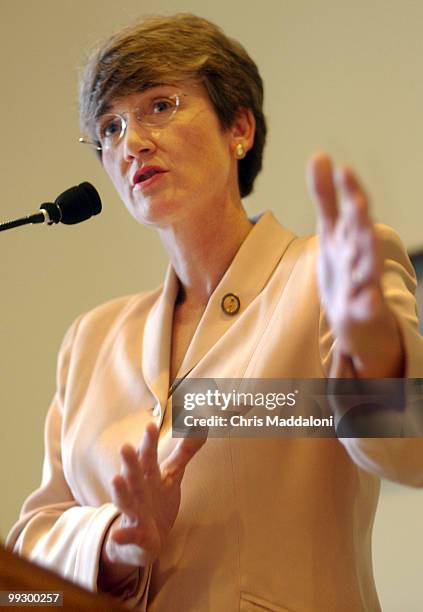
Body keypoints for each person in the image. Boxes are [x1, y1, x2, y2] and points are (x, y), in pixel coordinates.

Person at [7, 13, 423, 612]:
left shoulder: (323, 276)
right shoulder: (91, 340)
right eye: (111, 126)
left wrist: (373, 349)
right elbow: (30, 565)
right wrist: (117, 541)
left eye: (160, 105)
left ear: (240, 129)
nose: (134, 142)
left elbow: (405, 450)